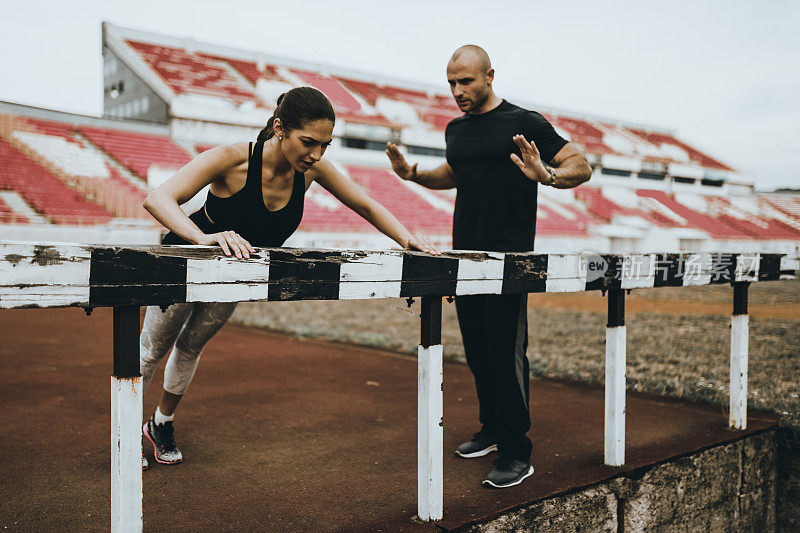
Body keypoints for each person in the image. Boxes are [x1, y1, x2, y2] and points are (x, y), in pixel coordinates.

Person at [140, 86, 438, 470]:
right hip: (184, 259)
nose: (316, 154)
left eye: (325, 145)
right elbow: (158, 198)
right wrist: (204, 238)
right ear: (279, 129)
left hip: (236, 271)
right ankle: (124, 433)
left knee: (192, 346)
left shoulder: (311, 170)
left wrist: (408, 239)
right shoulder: (232, 158)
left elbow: (364, 203)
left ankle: (160, 423)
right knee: (151, 350)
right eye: (309, 142)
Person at [386, 45, 592, 488]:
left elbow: (581, 164)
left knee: (505, 353)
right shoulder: (455, 129)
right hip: (466, 258)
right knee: (478, 352)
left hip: (509, 261)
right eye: (451, 83)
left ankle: (518, 451)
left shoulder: (524, 122)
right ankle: (493, 430)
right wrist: (414, 175)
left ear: (490, 76)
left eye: (465, 82)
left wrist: (548, 175)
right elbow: (457, 174)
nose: (457, 91)